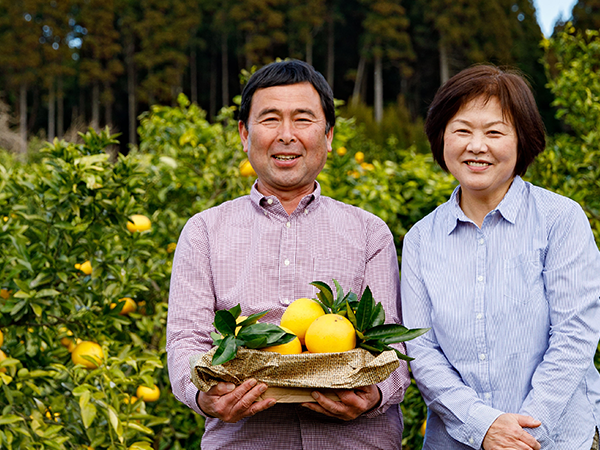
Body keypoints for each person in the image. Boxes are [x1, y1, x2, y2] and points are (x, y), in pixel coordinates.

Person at [166, 59, 410, 450]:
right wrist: (203, 395)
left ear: (328, 135)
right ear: (244, 134)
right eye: (270, 119)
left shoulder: (369, 232)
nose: (286, 135)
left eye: (302, 119)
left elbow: (394, 346)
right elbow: (185, 340)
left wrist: (374, 395)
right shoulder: (205, 231)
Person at [401, 64, 600, 450]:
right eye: (462, 130)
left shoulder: (560, 219)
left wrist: (521, 437)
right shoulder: (422, 239)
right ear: (441, 136)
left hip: (557, 440)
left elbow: (575, 335)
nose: (477, 146)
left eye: (494, 132)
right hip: (457, 440)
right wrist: (483, 426)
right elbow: (422, 352)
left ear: (522, 140)